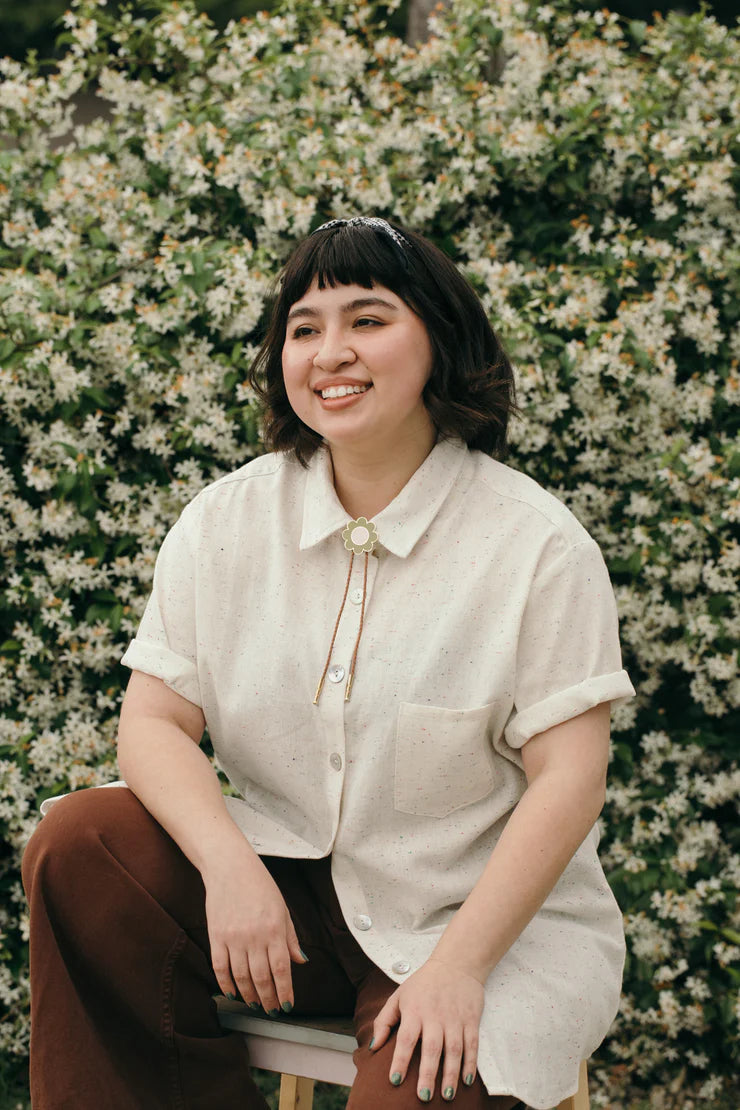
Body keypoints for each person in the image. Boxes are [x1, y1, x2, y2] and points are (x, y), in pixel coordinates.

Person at [23, 217, 635, 1110]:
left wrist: (461, 970)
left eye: (368, 319)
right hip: (289, 898)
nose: (330, 352)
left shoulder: (536, 546)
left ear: (439, 339)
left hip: (474, 926)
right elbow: (153, 722)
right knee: (81, 846)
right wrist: (231, 868)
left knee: (426, 1073)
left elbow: (570, 781)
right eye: (304, 329)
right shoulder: (225, 521)